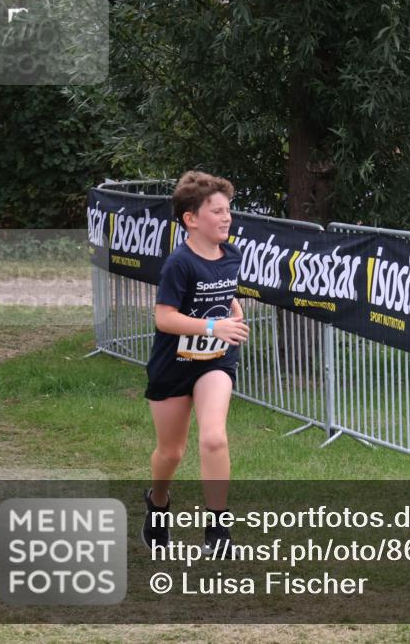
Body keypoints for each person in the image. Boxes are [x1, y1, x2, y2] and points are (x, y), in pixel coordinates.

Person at [141, 171, 250, 556]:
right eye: (217, 211)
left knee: (214, 437)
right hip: (173, 366)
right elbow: (164, 317)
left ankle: (217, 531)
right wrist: (212, 325)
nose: (226, 218)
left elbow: (225, 292)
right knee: (171, 453)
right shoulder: (179, 264)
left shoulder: (231, 254)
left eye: (228, 211)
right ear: (191, 219)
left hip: (215, 362)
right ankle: (157, 503)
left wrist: (232, 316)